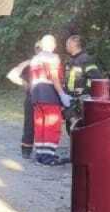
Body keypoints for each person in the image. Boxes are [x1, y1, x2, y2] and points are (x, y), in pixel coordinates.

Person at [6, 34, 71, 165]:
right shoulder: (53, 58)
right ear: (52, 45)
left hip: (35, 97)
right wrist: (62, 94)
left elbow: (16, 75)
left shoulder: (34, 59)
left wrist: (27, 86)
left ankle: (40, 156)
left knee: (40, 126)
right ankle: (48, 157)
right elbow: (54, 77)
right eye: (54, 44)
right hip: (49, 96)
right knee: (52, 126)